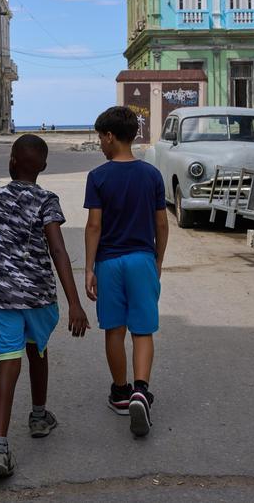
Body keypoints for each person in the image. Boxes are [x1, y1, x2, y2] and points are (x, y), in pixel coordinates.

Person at [0, 134, 90, 479]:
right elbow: (58, 252)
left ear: (11, 162)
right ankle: (39, 417)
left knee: (8, 361)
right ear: (43, 166)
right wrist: (75, 303)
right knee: (37, 350)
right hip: (39, 297)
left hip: (6, 299)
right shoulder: (47, 200)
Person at [83, 106, 168, 438]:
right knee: (143, 330)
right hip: (142, 260)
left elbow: (93, 226)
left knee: (114, 330)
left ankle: (121, 392)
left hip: (110, 263)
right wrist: (157, 260)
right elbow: (161, 223)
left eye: (99, 139)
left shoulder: (98, 177)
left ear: (109, 136)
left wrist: (89, 268)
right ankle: (141, 391)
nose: (99, 146)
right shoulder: (151, 175)